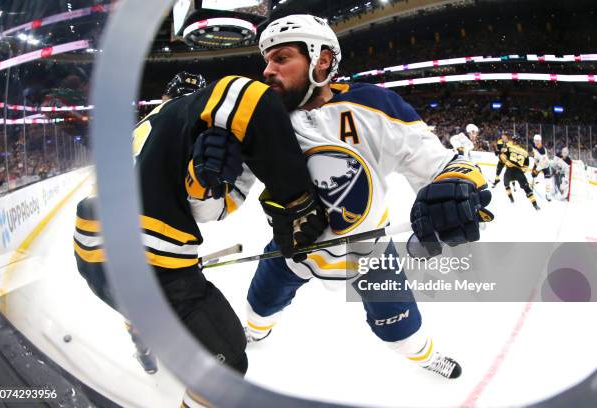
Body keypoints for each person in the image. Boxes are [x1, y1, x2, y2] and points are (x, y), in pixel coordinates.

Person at [243, 14, 494, 380]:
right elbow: (219, 196)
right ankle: (253, 332)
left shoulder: (375, 106)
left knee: (403, 334)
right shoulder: (259, 118)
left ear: (322, 60)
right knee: (259, 307)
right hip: (292, 245)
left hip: (370, 253)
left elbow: (444, 164)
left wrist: (456, 185)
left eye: (280, 59)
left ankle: (424, 357)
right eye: (266, 61)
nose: (267, 70)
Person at [73, 75, 328, 406]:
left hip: (88, 250)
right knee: (227, 363)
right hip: (149, 262)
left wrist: (199, 185)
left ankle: (143, 345)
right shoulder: (194, 111)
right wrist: (295, 199)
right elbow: (245, 93)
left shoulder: (142, 127)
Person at [500, 134, 540, 210]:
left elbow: (502, 156)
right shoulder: (525, 152)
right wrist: (521, 172)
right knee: (527, 189)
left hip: (509, 170)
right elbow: (526, 166)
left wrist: (507, 162)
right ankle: (535, 205)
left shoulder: (509, 147)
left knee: (506, 184)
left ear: (514, 141)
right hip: (519, 172)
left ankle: (511, 198)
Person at [530, 134, 553, 201]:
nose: (537, 142)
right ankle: (533, 184)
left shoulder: (542, 151)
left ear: (541, 141)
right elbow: (532, 143)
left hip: (545, 165)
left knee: (547, 181)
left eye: (538, 141)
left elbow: (542, 164)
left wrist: (536, 171)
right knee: (533, 176)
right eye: (536, 141)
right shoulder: (534, 145)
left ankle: (548, 194)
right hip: (537, 163)